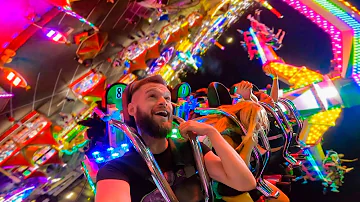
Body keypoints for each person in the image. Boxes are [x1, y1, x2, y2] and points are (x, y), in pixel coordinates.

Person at [95, 75, 256, 202]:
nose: (163, 102)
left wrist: (212, 133)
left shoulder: (190, 148)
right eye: (152, 96)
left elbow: (244, 182)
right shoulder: (117, 170)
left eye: (167, 98)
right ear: (131, 109)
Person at [199, 101, 289, 202]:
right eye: (259, 121)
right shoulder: (226, 137)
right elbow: (240, 173)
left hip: (248, 180)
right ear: (248, 121)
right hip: (231, 187)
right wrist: (248, 146)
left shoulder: (241, 133)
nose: (262, 126)